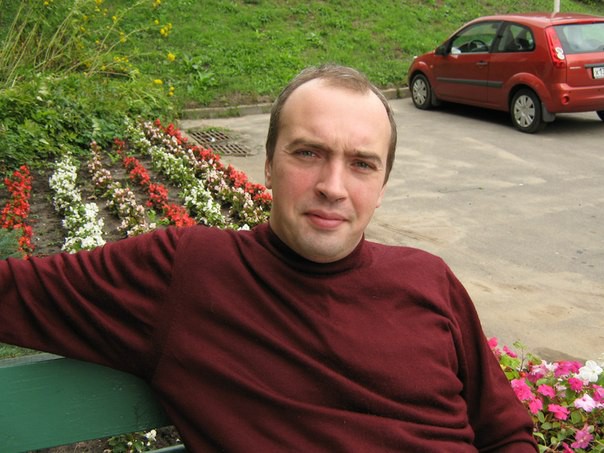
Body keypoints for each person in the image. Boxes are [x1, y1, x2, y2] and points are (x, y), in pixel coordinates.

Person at [0, 64, 537, 451]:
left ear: (382, 186)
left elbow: (505, 432)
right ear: (268, 165)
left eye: (361, 164)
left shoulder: (428, 278)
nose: (333, 186)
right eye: (308, 153)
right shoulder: (186, 274)